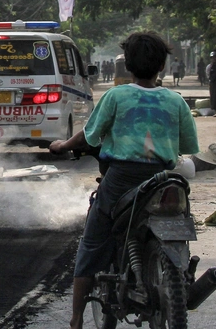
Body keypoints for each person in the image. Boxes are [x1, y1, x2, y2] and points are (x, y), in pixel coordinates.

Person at [49, 32, 198, 329]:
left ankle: (76, 318)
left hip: (121, 181)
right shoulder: (176, 101)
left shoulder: (116, 96)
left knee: (92, 241)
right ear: (162, 67)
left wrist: (63, 146)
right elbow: (187, 147)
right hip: (164, 180)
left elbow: (90, 135)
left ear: (128, 66)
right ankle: (182, 274)